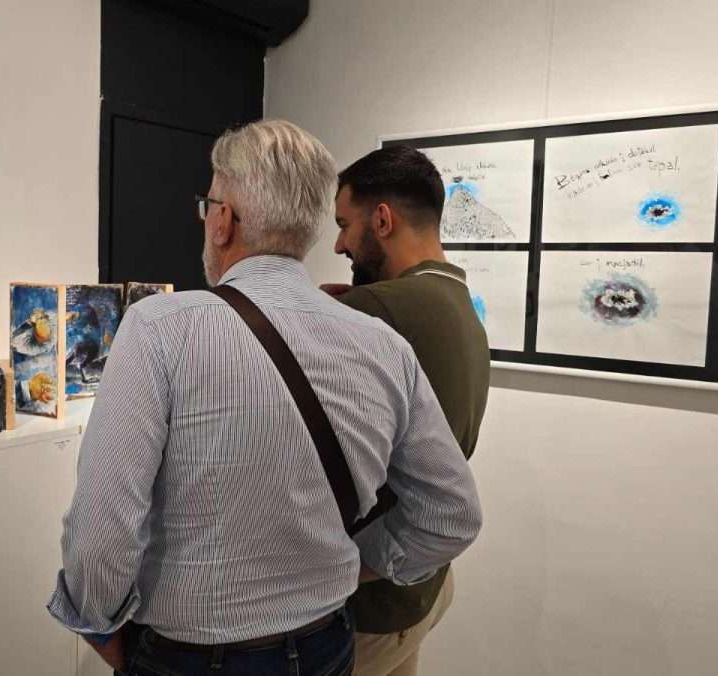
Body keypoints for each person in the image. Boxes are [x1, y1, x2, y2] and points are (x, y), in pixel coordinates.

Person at [47, 120, 482, 675]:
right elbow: (451, 515)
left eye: (209, 206)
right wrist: (355, 564)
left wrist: (99, 625)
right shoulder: (382, 344)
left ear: (223, 220)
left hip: (192, 654)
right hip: (328, 645)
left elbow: (100, 532)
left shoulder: (159, 328)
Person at [324, 145, 491, 676]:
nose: (339, 244)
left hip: (369, 607)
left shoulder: (377, 309)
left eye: (344, 225)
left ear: (382, 220)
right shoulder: (457, 299)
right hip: (423, 588)